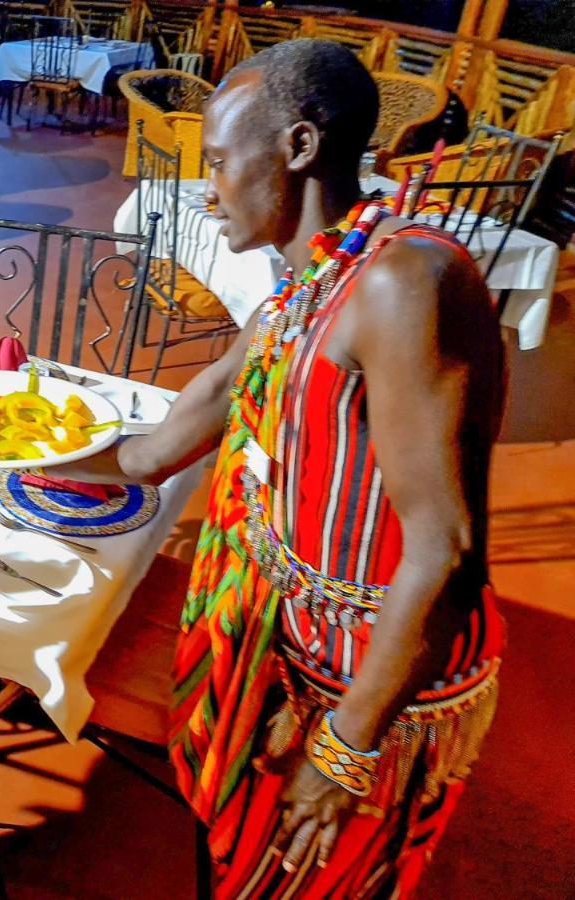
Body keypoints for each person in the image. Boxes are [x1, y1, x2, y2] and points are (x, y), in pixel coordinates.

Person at [59, 39, 503, 897]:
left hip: (373, 683)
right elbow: (155, 451)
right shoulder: (297, 291)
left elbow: (442, 547)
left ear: (298, 149)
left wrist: (344, 751)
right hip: (289, 657)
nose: (207, 187)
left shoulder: (403, 281)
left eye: (220, 161)